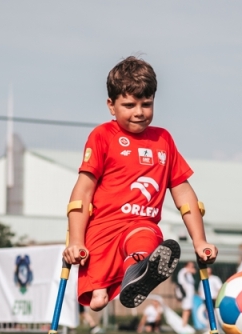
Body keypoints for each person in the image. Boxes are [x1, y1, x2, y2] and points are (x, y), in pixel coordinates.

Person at [62, 57, 217, 313]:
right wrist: (76, 241)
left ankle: (138, 269)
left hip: (140, 225)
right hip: (102, 231)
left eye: (146, 104)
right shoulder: (102, 136)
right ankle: (131, 273)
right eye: (129, 105)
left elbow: (184, 193)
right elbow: (83, 191)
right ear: (111, 106)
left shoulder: (163, 139)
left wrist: (199, 241)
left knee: (147, 237)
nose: (139, 112)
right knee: (98, 300)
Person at [177, 262, 196, 328]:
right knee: (186, 310)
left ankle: (184, 324)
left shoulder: (189, 275)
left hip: (189, 295)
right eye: (191, 266)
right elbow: (187, 271)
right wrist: (191, 270)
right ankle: (183, 326)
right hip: (186, 295)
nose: (192, 267)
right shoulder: (183, 271)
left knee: (188, 310)